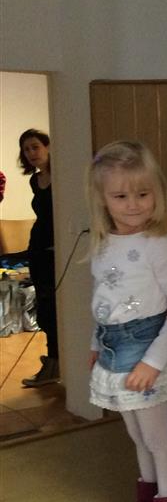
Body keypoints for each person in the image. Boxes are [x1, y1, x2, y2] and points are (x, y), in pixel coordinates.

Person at [87, 140, 167, 502]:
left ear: (158, 193)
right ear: (102, 199)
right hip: (113, 346)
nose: (133, 205)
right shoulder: (103, 241)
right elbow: (103, 299)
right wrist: (95, 345)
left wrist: (153, 361)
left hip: (147, 347)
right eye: (120, 196)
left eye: (143, 193)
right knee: (137, 437)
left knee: (159, 439)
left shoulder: (159, 243)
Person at [18, 129, 58, 387]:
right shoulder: (35, 180)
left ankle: (57, 361)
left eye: (35, 147)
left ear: (48, 146)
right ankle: (53, 361)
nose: (31, 153)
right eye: (26, 149)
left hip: (56, 250)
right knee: (43, 309)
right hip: (37, 249)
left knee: (55, 308)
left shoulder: (62, 176)